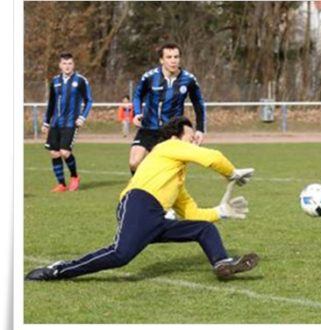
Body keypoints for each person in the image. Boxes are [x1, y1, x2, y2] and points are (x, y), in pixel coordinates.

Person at [25, 117, 258, 281]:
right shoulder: (169, 146)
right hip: (139, 204)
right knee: (120, 255)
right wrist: (231, 173)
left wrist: (220, 211)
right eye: (190, 136)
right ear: (175, 137)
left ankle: (222, 263)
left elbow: (191, 213)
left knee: (203, 229)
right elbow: (212, 157)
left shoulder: (175, 178)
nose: (195, 140)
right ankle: (58, 270)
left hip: (153, 216)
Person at [130, 43, 207, 175]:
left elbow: (198, 104)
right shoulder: (150, 77)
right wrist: (137, 113)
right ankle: (138, 183)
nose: (173, 60)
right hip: (148, 128)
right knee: (134, 163)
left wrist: (200, 129)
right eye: (169, 57)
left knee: (165, 168)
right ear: (161, 60)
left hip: (172, 132)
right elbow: (137, 96)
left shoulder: (188, 79)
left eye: (176, 57)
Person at [43, 52, 93, 192]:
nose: (67, 66)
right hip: (56, 123)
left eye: (70, 63)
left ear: (74, 65)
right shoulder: (55, 81)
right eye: (64, 63)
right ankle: (61, 184)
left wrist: (82, 117)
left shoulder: (81, 80)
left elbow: (89, 100)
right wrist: (46, 122)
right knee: (54, 153)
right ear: (60, 65)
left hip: (71, 123)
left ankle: (75, 176)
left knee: (65, 152)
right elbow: (51, 103)